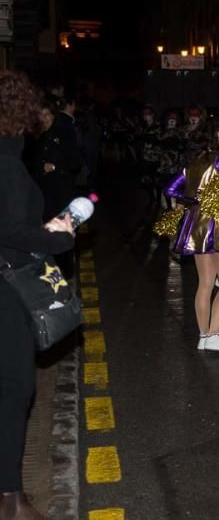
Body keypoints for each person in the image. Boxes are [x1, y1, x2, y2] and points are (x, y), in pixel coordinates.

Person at [0, 70, 77, 519]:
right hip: (6, 288)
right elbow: (10, 229)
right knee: (15, 388)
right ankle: (10, 499)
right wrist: (56, 237)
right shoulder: (7, 164)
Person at [165, 119, 219, 353]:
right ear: (213, 138)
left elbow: (171, 189)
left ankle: (204, 336)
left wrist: (195, 200)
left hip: (196, 223)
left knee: (206, 283)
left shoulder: (193, 163)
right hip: (218, 222)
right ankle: (215, 334)